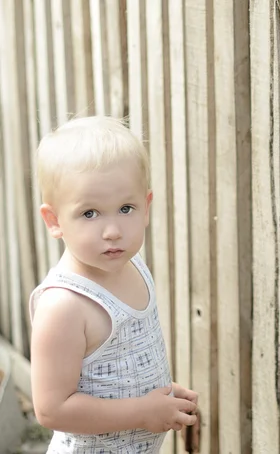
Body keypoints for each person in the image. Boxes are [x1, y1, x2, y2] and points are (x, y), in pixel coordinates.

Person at [28, 116, 198, 453]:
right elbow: (51, 409)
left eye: (125, 208)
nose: (113, 231)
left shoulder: (131, 264)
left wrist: (159, 395)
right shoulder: (64, 305)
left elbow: (120, 365)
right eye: (90, 213)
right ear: (54, 220)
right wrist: (142, 411)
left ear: (146, 207)